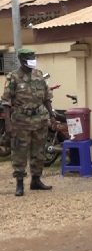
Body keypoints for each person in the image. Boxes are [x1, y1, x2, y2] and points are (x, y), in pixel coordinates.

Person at [1, 48, 56, 196]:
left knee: (39, 151)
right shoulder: (13, 77)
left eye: (34, 57)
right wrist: (8, 124)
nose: (33, 60)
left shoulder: (38, 75)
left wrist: (52, 115)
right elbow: (6, 102)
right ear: (21, 60)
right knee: (19, 153)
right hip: (21, 121)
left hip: (40, 119)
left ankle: (36, 180)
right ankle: (19, 184)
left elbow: (46, 98)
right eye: (30, 58)